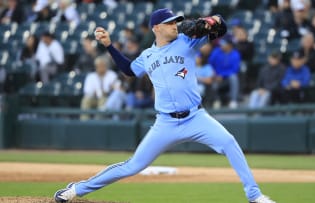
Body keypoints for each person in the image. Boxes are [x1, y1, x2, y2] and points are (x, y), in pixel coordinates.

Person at [54, 8, 276, 203]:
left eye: (176, 21)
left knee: (228, 141)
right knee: (133, 166)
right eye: (170, 23)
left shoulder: (187, 40)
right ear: (156, 28)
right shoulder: (148, 55)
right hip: (166, 122)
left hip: (195, 117)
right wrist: (110, 46)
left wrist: (210, 21)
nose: (175, 25)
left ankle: (254, 195)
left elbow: (222, 28)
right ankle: (76, 190)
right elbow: (129, 70)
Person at [80, 55, 119, 119]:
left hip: (107, 98)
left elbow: (117, 88)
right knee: (85, 100)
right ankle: (84, 122)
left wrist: (109, 90)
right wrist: (99, 92)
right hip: (93, 98)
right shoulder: (91, 76)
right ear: (96, 67)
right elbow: (87, 91)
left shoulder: (112, 75)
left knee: (103, 100)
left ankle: (98, 122)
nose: (101, 67)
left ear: (106, 66)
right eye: (99, 66)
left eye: (103, 65)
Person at [208, 34, 241, 109]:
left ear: (229, 45)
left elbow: (235, 69)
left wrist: (222, 75)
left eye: (223, 43)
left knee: (234, 77)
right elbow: (210, 64)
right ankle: (216, 100)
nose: (221, 45)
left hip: (227, 77)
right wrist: (215, 74)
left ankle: (233, 100)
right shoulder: (216, 51)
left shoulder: (235, 54)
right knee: (212, 80)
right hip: (216, 76)